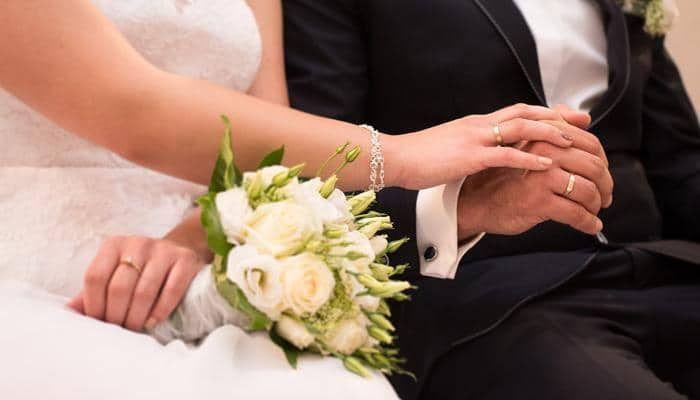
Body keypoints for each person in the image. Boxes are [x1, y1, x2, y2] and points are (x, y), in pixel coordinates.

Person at [0, 1, 588, 398]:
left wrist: (197, 235)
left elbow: (266, 139)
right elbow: (134, 111)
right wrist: (402, 155)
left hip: (206, 269)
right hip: (43, 273)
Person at [283, 0, 700, 399]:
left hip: (661, 270)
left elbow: (678, 161)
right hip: (491, 300)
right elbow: (318, 182)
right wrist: (458, 206)